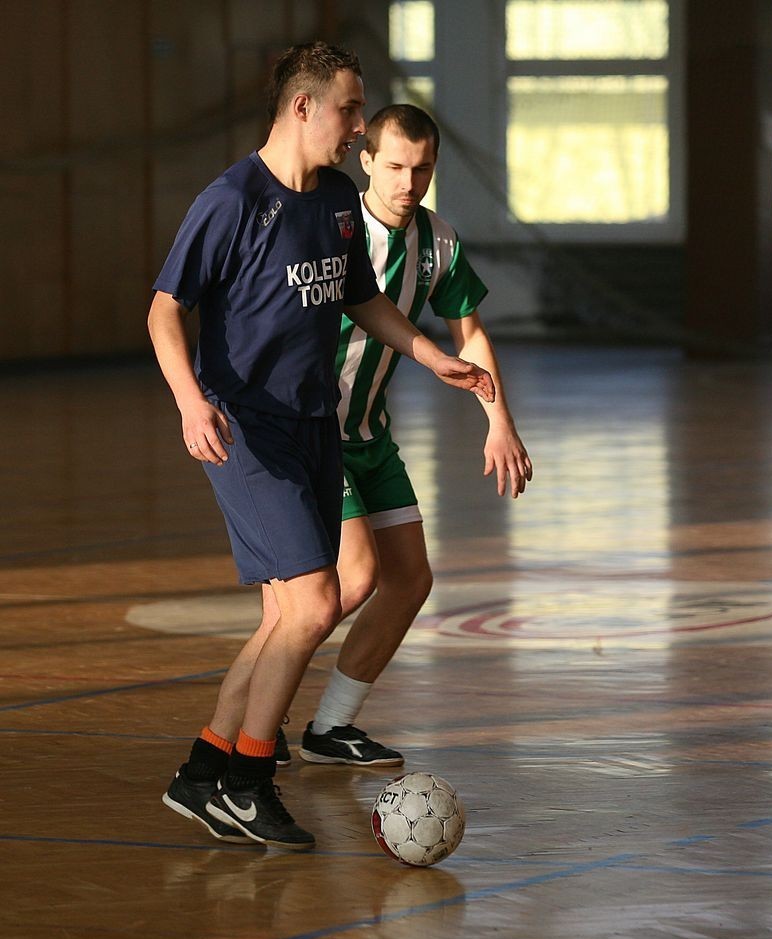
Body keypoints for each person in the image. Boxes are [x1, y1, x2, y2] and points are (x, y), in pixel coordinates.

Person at [149, 43, 494, 850]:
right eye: (349, 109)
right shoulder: (233, 200)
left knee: (286, 618)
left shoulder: (338, 199)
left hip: (316, 429)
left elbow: (364, 301)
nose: (357, 125)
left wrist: (429, 352)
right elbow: (165, 310)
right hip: (244, 427)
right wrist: (190, 402)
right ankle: (247, 779)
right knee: (311, 602)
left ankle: (203, 771)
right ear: (302, 108)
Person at [293, 104, 533, 764]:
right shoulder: (330, 230)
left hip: (370, 435)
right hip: (314, 433)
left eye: (421, 168)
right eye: (394, 166)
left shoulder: (439, 242)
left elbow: (470, 333)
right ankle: (260, 712)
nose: (408, 181)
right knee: (353, 576)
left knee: (409, 579)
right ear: (365, 160)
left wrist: (499, 422)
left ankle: (329, 728)